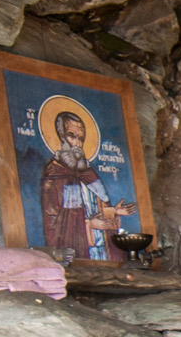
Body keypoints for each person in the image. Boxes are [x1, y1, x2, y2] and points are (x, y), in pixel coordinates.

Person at [38, 111, 122, 260]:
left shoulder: (88, 173)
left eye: (81, 138)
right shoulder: (54, 174)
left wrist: (114, 211)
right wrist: (89, 224)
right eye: (72, 136)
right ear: (61, 135)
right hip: (78, 251)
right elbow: (54, 221)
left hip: (102, 248)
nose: (77, 144)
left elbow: (98, 205)